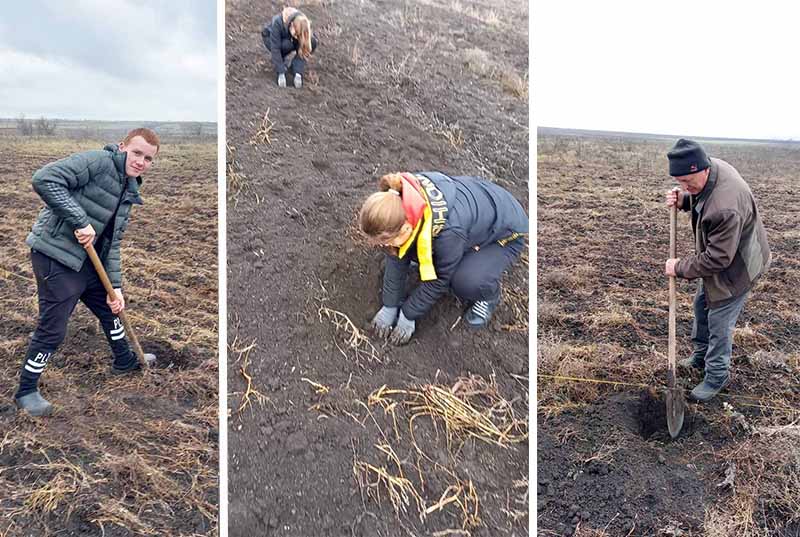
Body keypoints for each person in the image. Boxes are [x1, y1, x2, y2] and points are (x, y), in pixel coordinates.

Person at [14, 128, 160, 416]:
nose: (141, 161)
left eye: (148, 158)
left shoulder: (129, 187)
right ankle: (26, 391)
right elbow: (44, 179)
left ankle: (125, 361)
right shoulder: (98, 162)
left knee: (111, 308)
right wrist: (79, 220)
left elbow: (112, 242)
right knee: (53, 327)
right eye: (137, 153)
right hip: (56, 255)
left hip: (89, 262)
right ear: (122, 147)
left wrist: (114, 286)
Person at [359, 171, 528, 345]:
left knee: (465, 281)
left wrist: (408, 313)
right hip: (477, 210)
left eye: (387, 241)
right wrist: (390, 305)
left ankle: (488, 296)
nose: (385, 246)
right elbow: (396, 256)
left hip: (503, 233)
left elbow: (439, 279)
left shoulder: (449, 232)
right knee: (410, 250)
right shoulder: (401, 199)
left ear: (406, 228)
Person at [664, 138, 771, 402]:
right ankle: (701, 356)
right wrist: (686, 200)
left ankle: (716, 376)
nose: (683, 186)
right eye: (679, 182)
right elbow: (704, 196)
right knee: (702, 305)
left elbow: (719, 258)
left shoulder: (725, 206)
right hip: (724, 255)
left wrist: (680, 267)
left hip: (739, 267)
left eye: (687, 182)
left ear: (702, 169)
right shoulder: (712, 168)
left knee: (719, 321)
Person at [261, 7, 318, 89]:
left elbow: (306, 45)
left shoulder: (303, 23)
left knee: (312, 42)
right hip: (270, 38)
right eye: (295, 34)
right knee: (287, 45)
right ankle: (282, 64)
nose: (296, 37)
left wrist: (298, 73)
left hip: (288, 38)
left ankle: (294, 68)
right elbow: (275, 49)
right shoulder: (278, 22)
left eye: (298, 35)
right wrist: (281, 73)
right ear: (291, 25)